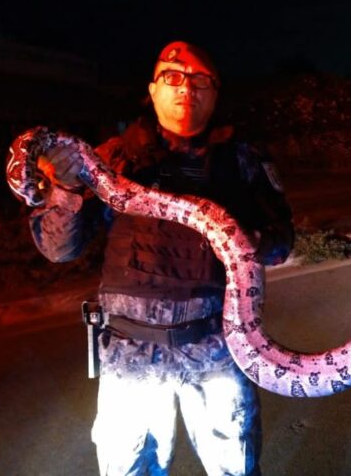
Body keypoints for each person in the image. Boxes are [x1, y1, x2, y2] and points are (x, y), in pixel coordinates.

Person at [29, 41, 294, 476]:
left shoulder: (244, 161)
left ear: (215, 93)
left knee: (235, 467)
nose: (186, 88)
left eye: (200, 80)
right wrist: (65, 189)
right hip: (129, 353)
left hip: (216, 346)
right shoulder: (109, 160)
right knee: (129, 468)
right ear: (152, 90)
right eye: (172, 77)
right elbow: (58, 249)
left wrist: (255, 241)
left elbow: (283, 241)